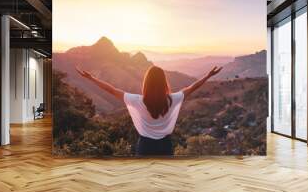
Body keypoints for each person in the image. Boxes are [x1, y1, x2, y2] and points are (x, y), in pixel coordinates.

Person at [76, 65, 222, 156]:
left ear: (146, 83)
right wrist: (209, 75)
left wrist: (91, 78)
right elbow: (192, 88)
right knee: (165, 181)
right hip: (165, 145)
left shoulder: (137, 100)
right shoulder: (172, 99)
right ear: (164, 82)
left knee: (144, 182)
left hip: (145, 145)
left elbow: (112, 90)